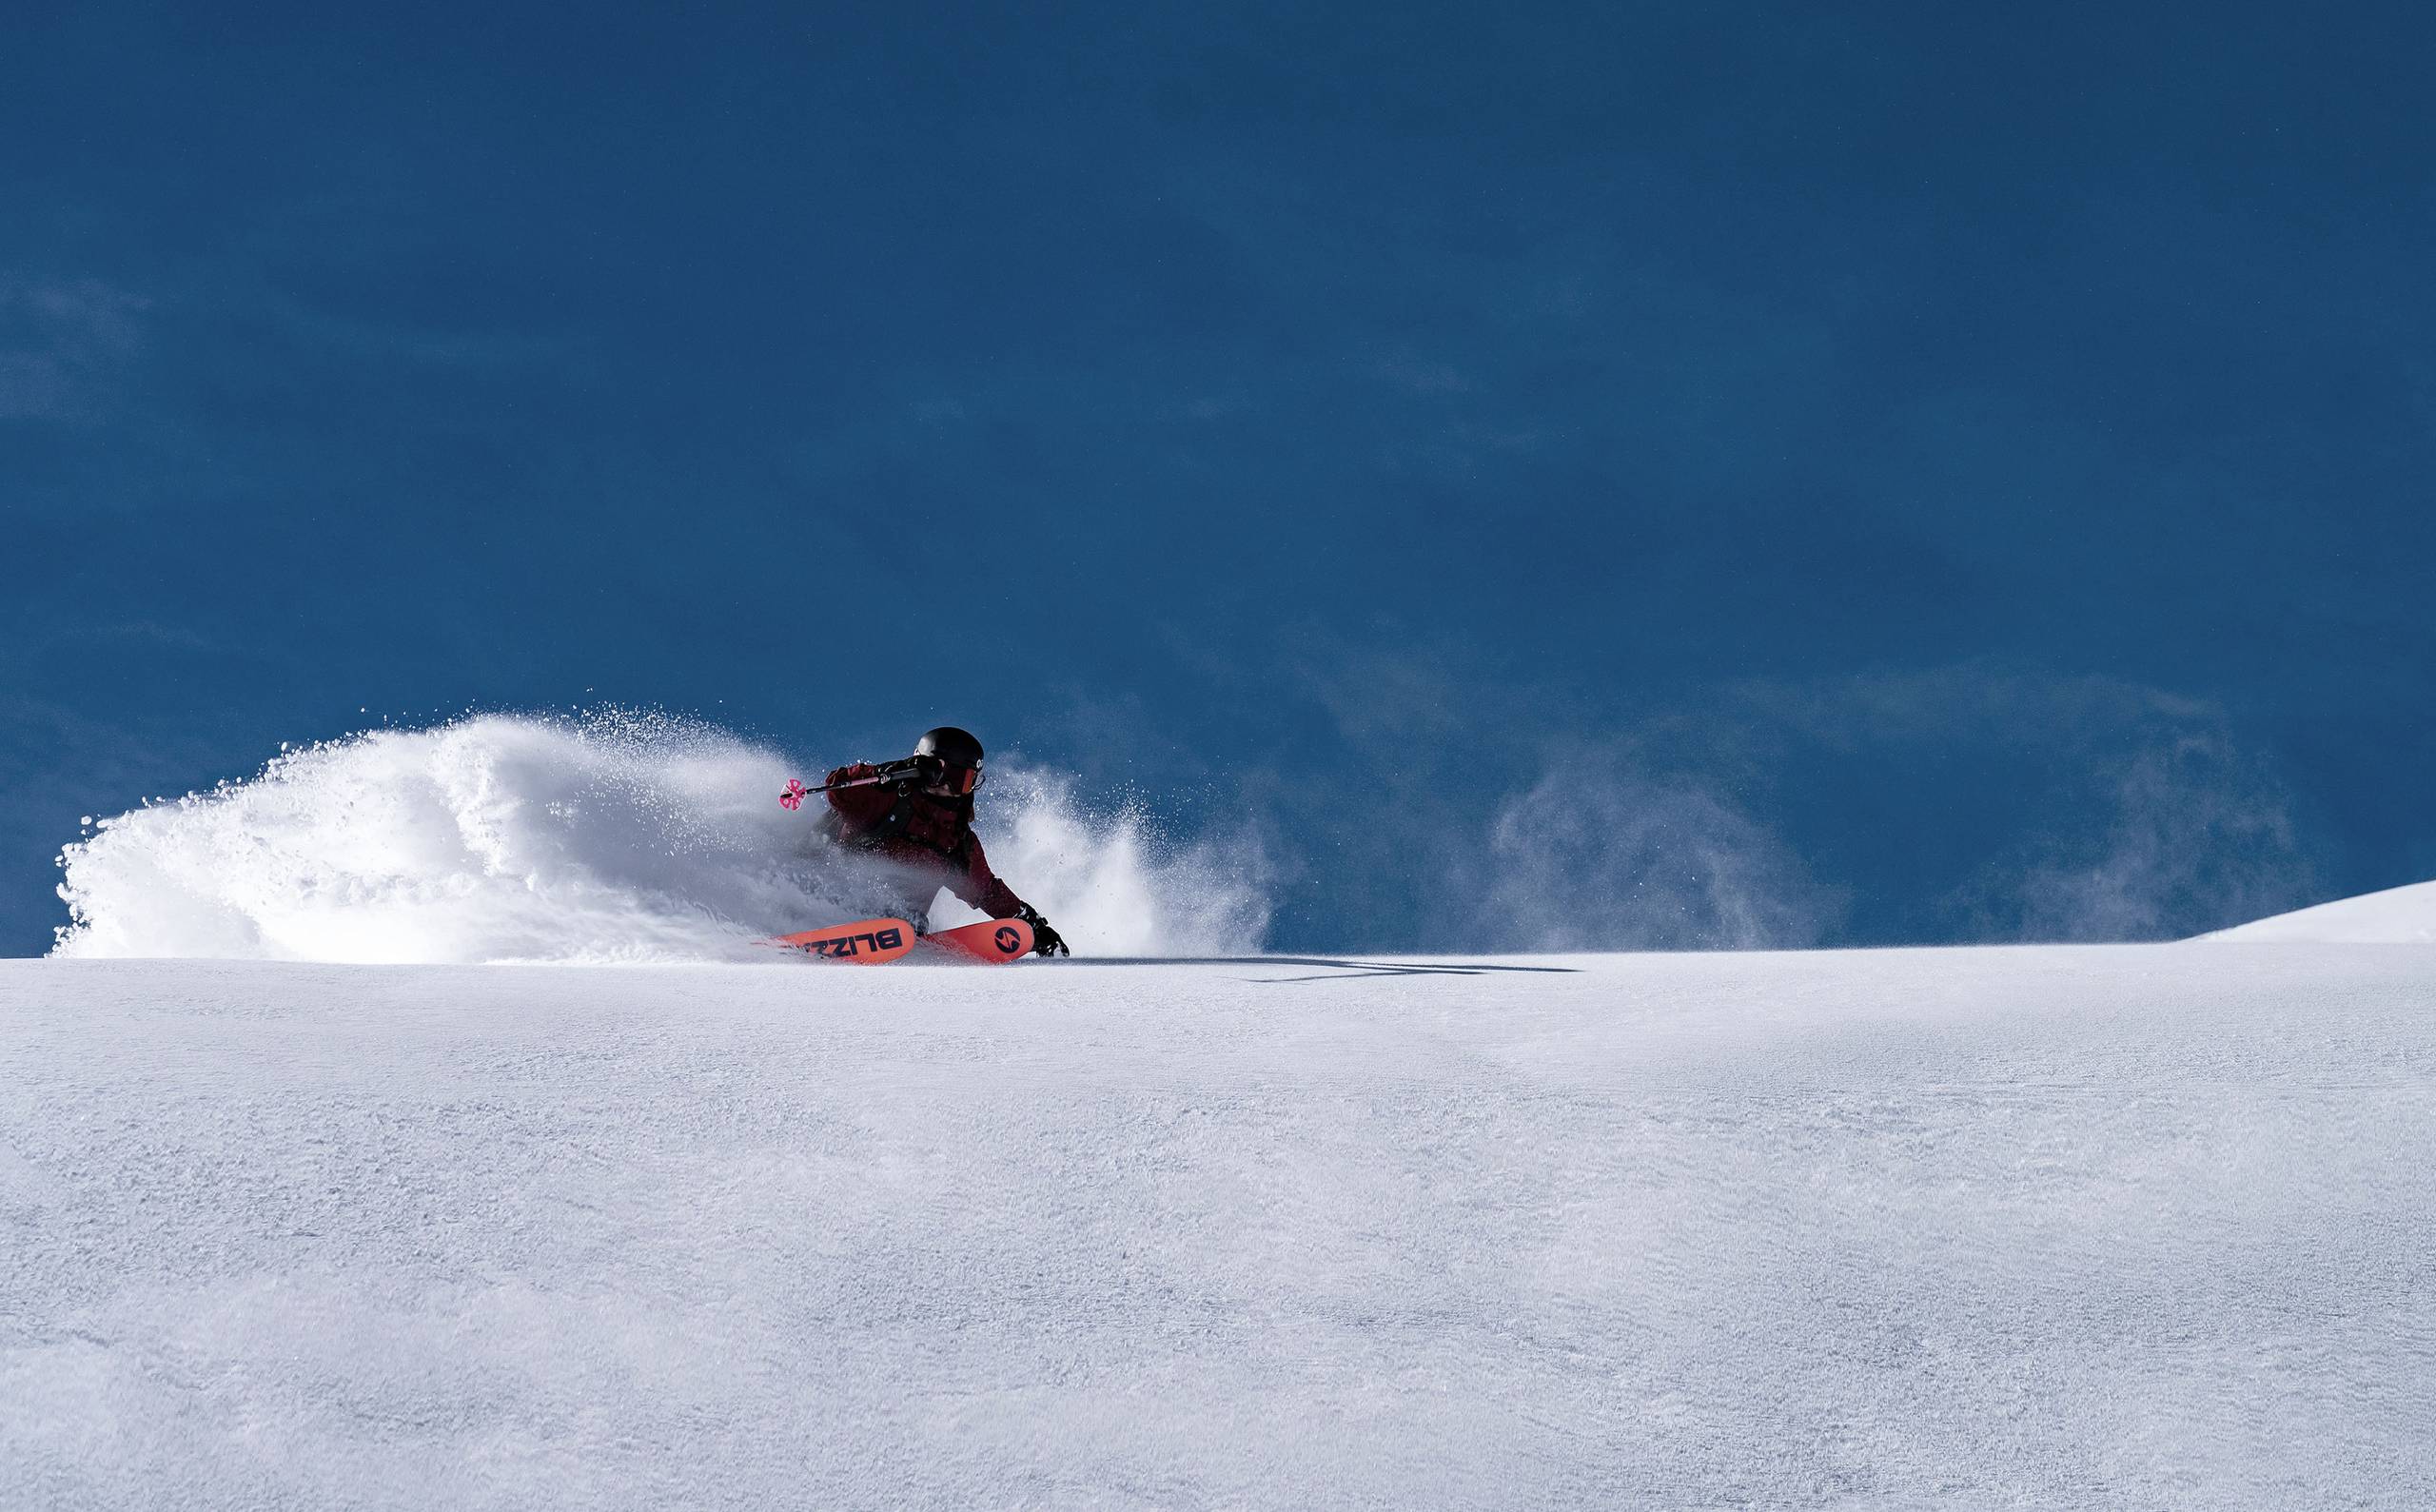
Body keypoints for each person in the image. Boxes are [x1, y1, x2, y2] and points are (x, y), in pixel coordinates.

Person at [820, 726, 1069, 956]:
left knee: (911, 920)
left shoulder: (956, 839)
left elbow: (987, 891)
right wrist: (887, 773)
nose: (955, 787)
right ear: (930, 769)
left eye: (967, 780)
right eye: (952, 775)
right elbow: (837, 790)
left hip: (898, 924)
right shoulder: (888, 797)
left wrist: (1033, 928)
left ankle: (900, 930)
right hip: (833, 890)